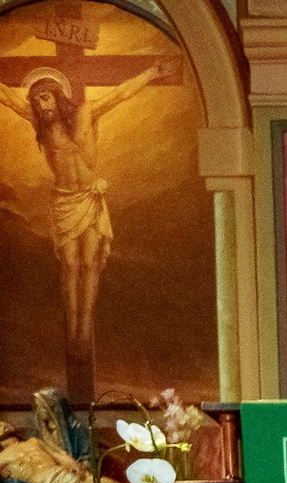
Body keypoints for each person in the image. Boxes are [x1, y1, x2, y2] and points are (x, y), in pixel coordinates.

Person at [2, 62, 167, 397]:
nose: (41, 105)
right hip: (64, 201)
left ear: (58, 95)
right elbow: (6, 97)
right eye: (37, 100)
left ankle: (84, 327)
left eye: (46, 97)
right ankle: (73, 327)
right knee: (70, 265)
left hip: (89, 197)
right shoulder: (40, 124)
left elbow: (120, 94)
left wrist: (151, 73)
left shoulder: (86, 113)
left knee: (91, 263)